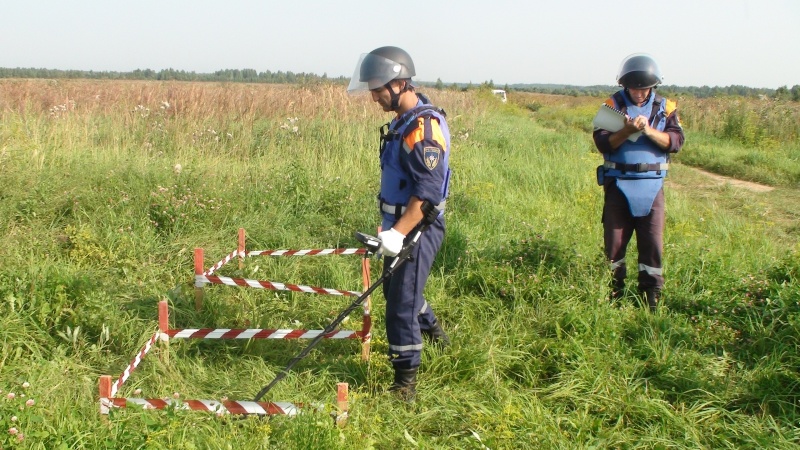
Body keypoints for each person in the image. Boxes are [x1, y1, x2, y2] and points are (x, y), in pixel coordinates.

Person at [347, 46, 451, 400]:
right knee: (398, 290)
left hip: (418, 224)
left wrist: (399, 232)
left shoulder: (423, 129)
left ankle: (405, 384)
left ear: (401, 82)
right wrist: (389, 227)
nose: (374, 97)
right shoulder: (402, 122)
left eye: (378, 89)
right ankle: (437, 336)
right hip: (398, 223)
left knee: (400, 304)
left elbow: (426, 194)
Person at [592, 53, 685, 311]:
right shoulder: (612, 105)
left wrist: (647, 131)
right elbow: (601, 142)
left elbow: (675, 142)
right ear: (625, 85)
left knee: (652, 244)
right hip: (618, 185)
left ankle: (650, 297)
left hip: (652, 187)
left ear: (652, 87)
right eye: (634, 88)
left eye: (644, 89)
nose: (639, 93)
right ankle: (614, 292)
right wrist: (627, 131)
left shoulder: (665, 109)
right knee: (614, 243)